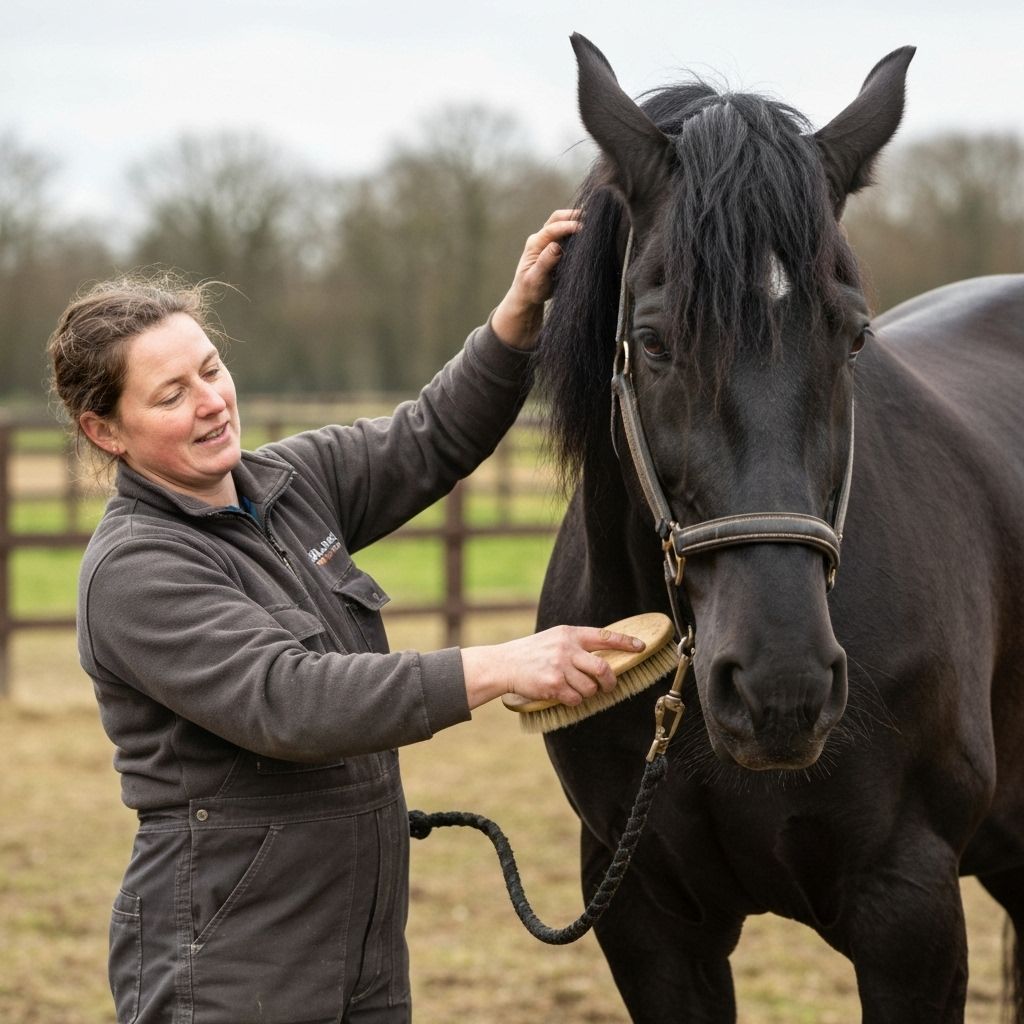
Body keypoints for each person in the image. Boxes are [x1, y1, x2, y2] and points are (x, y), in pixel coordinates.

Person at [47, 209, 645, 1024]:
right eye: (171, 394)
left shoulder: (291, 482)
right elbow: (290, 701)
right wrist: (503, 664)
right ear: (104, 430)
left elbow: (429, 436)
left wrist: (515, 321)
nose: (211, 403)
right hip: (228, 963)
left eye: (212, 369)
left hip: (360, 950)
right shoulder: (137, 569)